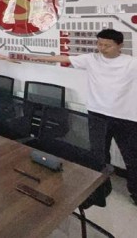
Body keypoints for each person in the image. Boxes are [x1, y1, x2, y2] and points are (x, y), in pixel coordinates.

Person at [28, 29, 137, 205]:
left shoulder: (131, 63)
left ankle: (135, 192)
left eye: (107, 45)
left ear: (120, 46)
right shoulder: (91, 59)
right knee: (99, 155)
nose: (102, 48)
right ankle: (101, 189)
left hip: (125, 117)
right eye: (99, 44)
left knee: (132, 157)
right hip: (97, 114)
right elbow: (64, 59)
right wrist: (36, 57)